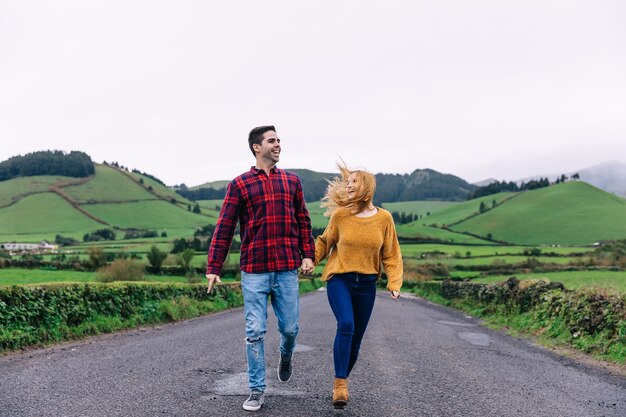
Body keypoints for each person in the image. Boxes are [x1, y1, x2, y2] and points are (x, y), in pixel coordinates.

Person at [205, 125, 315, 412]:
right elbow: (225, 226)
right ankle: (256, 390)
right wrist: (214, 266)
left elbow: (303, 220)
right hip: (254, 270)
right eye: (271, 141)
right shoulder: (240, 184)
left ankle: (286, 355)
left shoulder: (292, 182)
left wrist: (308, 255)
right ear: (257, 147)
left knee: (290, 329)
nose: (278, 144)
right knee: (254, 330)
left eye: (279, 140)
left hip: (287, 268)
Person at [315, 162, 403, 409]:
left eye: (354, 181)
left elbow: (392, 254)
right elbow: (325, 241)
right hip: (339, 279)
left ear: (367, 186)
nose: (349, 185)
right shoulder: (340, 216)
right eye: (347, 182)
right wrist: (309, 259)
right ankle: (340, 385)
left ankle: (340, 379)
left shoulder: (384, 218)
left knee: (356, 340)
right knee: (346, 324)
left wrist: (394, 282)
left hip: (366, 285)